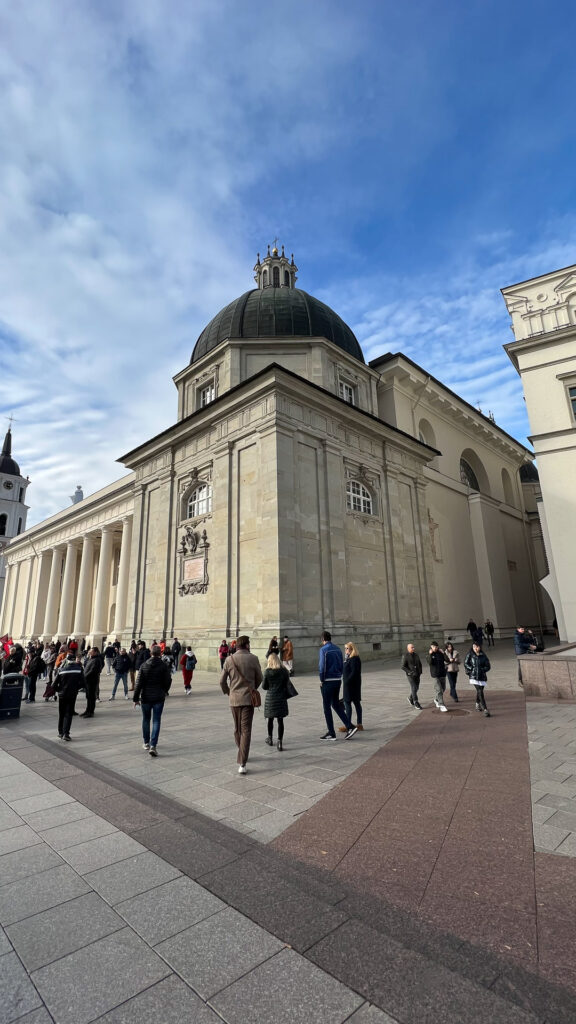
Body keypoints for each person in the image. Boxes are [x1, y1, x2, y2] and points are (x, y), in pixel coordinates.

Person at [220, 635, 262, 774]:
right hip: (248, 699)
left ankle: (242, 752)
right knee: (246, 730)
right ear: (247, 645)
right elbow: (259, 678)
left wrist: (228, 692)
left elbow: (221, 681)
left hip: (234, 699)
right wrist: (252, 687)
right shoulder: (253, 658)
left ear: (236, 646)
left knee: (237, 729)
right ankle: (242, 762)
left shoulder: (229, 659)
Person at [133, 645, 172, 756]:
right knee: (156, 720)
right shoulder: (163, 666)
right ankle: (153, 745)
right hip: (159, 697)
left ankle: (146, 743)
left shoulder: (144, 665)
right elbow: (168, 680)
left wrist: (136, 698)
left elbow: (138, 683)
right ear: (160, 653)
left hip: (145, 697)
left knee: (146, 719)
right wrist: (164, 691)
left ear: (150, 653)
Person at [318, 631, 357, 740]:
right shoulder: (338, 649)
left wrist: (322, 679)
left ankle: (331, 732)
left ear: (323, 639)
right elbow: (341, 664)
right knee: (335, 704)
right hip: (337, 680)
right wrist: (339, 675)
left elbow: (322, 666)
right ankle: (350, 726)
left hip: (327, 681)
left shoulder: (323, 650)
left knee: (326, 707)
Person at [262, 652, 290, 750]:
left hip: (271, 698)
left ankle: (270, 738)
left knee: (270, 719)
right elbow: (287, 684)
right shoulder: (284, 671)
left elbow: (264, 687)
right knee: (280, 720)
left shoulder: (267, 672)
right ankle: (279, 742)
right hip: (281, 698)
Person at [55, 653, 84, 740]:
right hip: (72, 694)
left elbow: (54, 684)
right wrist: (76, 688)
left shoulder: (61, 670)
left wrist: (59, 690)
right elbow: (83, 683)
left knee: (61, 713)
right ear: (74, 660)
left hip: (62, 695)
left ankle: (60, 732)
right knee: (69, 714)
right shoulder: (79, 670)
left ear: (67, 660)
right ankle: (66, 734)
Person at [464, 642, 491, 717]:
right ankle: (485, 709)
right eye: (474, 647)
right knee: (480, 691)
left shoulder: (483, 655)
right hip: (473, 676)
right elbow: (465, 663)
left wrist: (482, 669)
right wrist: (471, 668)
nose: (475, 648)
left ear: (480, 647)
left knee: (479, 691)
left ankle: (477, 703)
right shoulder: (470, 654)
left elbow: (488, 666)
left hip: (482, 676)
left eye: (477, 647)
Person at [341, 642, 363, 730]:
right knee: (355, 703)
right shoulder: (349, 658)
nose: (345, 650)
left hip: (351, 685)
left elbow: (354, 672)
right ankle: (358, 724)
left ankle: (349, 724)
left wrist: (347, 681)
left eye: (347, 648)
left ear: (352, 649)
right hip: (351, 685)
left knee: (347, 703)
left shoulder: (354, 659)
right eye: (345, 648)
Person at [81, 647, 103, 718]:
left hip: (92, 681)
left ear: (96, 652)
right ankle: (87, 710)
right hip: (87, 681)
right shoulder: (91, 658)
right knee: (88, 696)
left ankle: (91, 712)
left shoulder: (97, 660)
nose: (89, 652)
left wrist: (85, 676)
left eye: (91, 651)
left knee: (91, 697)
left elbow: (93, 670)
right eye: (89, 651)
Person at [427, 641, 449, 711]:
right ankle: (441, 704)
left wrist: (444, 653)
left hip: (442, 673)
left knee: (443, 688)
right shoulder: (429, 654)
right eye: (433, 647)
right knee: (439, 690)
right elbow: (430, 662)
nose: (435, 648)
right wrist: (430, 654)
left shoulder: (440, 653)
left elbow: (447, 660)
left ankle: (436, 699)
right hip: (435, 675)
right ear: (431, 647)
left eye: (436, 647)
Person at [401, 642, 423, 709]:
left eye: (413, 647)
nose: (413, 648)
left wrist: (420, 672)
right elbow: (403, 666)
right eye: (412, 647)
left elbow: (419, 663)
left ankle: (410, 698)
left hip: (417, 674)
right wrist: (410, 672)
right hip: (410, 675)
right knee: (414, 687)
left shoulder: (416, 655)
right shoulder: (405, 656)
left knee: (416, 688)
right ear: (408, 649)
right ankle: (416, 702)